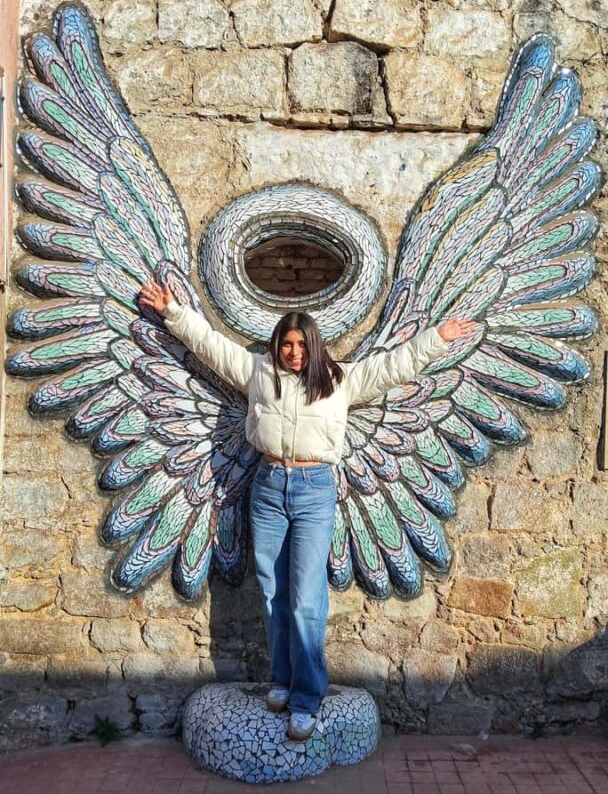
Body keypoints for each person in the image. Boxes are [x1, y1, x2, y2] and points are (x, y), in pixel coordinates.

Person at [139, 280, 475, 741]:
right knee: (273, 592)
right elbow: (210, 345)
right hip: (269, 485)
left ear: (312, 345)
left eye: (300, 344)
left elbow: (395, 366)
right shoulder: (259, 372)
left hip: (315, 489)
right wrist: (172, 312)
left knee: (305, 598)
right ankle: (281, 680)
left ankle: (306, 696)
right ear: (277, 346)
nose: (293, 352)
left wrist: (437, 338)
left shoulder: (340, 380)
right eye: (286, 343)